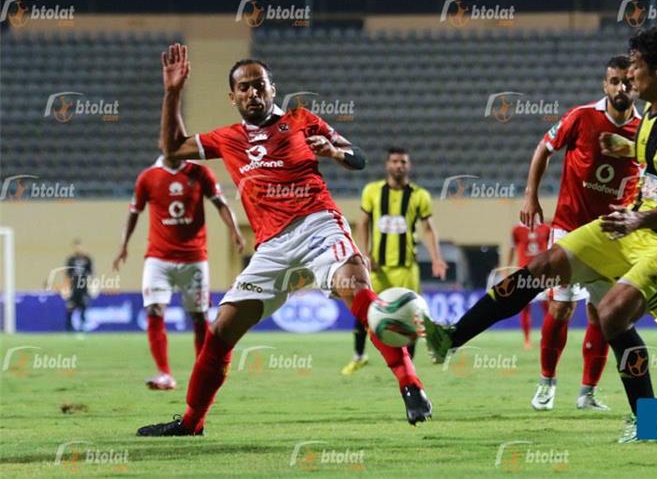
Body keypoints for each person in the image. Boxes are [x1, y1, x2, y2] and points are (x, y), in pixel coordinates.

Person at [425, 26, 657, 442]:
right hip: (634, 225)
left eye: (636, 67)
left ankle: (649, 421)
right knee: (542, 266)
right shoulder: (652, 114)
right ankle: (450, 337)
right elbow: (656, 164)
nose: (629, 76)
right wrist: (626, 152)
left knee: (612, 314)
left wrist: (636, 220)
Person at [138, 44, 432, 436]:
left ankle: (411, 384)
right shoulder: (227, 138)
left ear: (272, 89)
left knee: (357, 290)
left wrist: (335, 151)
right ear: (232, 97)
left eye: (259, 85)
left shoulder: (301, 119)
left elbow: (358, 157)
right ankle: (192, 423)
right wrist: (173, 93)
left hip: (317, 225)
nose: (252, 93)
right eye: (244, 88)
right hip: (271, 249)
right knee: (220, 330)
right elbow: (172, 147)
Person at [521, 55, 642, 411]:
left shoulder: (646, 129)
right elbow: (544, 147)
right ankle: (546, 384)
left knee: (604, 314)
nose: (621, 87)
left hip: (612, 235)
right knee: (560, 308)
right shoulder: (581, 117)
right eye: (615, 81)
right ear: (605, 84)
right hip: (569, 229)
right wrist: (530, 194)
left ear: (636, 85)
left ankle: (587, 393)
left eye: (627, 82)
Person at [113, 155, 245, 390]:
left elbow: (221, 204)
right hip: (158, 258)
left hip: (194, 258)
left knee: (199, 316)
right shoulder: (148, 177)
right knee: (154, 309)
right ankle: (164, 374)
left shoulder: (200, 173)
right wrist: (124, 245)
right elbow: (133, 212)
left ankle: (202, 373)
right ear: (161, 144)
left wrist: (234, 230)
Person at [341, 147, 447, 375]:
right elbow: (363, 223)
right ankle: (359, 356)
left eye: (403, 162)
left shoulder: (419, 195)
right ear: (387, 165)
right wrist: (366, 254)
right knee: (363, 310)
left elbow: (428, 229)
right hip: (378, 268)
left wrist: (437, 258)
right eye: (395, 161)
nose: (399, 165)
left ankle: (409, 364)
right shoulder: (372, 191)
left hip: (407, 268)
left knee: (414, 315)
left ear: (409, 166)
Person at [504, 222, 551, 350]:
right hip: (524, 273)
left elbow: (552, 248)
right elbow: (511, 249)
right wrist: (507, 269)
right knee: (524, 308)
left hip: (543, 273)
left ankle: (547, 338)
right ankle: (527, 340)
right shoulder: (517, 229)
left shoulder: (546, 228)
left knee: (547, 308)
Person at [63, 239, 92, 332]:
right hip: (73, 288)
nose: (78, 248)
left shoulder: (87, 259)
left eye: (79, 246)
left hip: (83, 288)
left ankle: (82, 326)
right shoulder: (71, 260)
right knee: (70, 306)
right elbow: (68, 275)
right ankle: (69, 327)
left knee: (83, 306)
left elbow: (90, 273)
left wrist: (91, 286)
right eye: (76, 247)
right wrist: (67, 288)